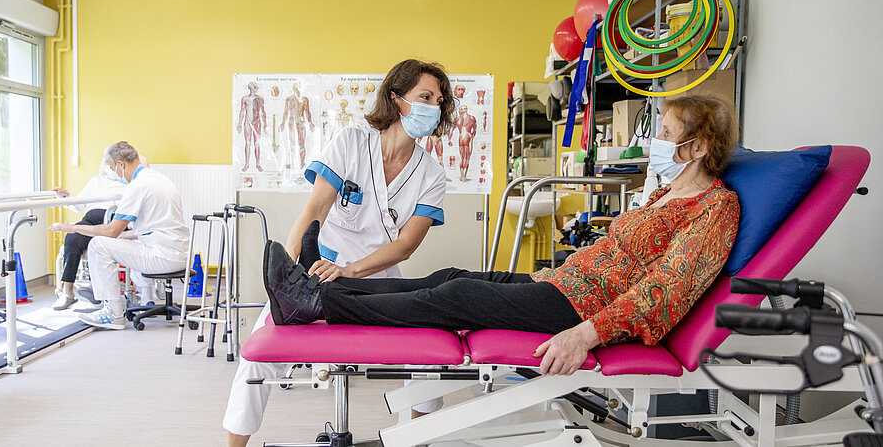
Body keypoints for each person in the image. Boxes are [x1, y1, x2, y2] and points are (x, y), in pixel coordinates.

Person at [264, 95, 741, 376]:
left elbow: (664, 294)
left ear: (696, 147)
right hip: (566, 284)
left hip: (584, 310)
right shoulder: (665, 195)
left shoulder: (715, 208)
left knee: (455, 295)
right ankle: (328, 286)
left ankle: (316, 305)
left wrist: (584, 336)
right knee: (451, 275)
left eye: (665, 132)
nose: (654, 139)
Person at [224, 59, 456, 447]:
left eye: (440, 99)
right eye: (426, 96)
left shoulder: (430, 174)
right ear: (398, 100)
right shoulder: (351, 143)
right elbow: (314, 211)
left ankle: (417, 440)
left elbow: (405, 246)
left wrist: (349, 271)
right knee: (257, 351)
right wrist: (290, 276)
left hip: (376, 279)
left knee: (428, 349)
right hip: (318, 269)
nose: (435, 105)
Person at [50, 141, 189, 330]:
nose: (114, 174)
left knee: (98, 245)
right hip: (178, 252)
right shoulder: (158, 179)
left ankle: (113, 313)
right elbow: (141, 230)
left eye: (113, 168)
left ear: (121, 165)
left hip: (162, 255)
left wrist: (72, 228)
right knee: (110, 241)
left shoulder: (137, 186)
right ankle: (104, 298)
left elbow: (111, 231)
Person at [49, 153, 127, 310]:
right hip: (90, 219)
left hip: (113, 220)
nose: (109, 168)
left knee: (100, 245)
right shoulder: (95, 182)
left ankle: (95, 288)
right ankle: (68, 293)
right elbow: (78, 205)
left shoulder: (128, 183)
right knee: (72, 239)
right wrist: (66, 196)